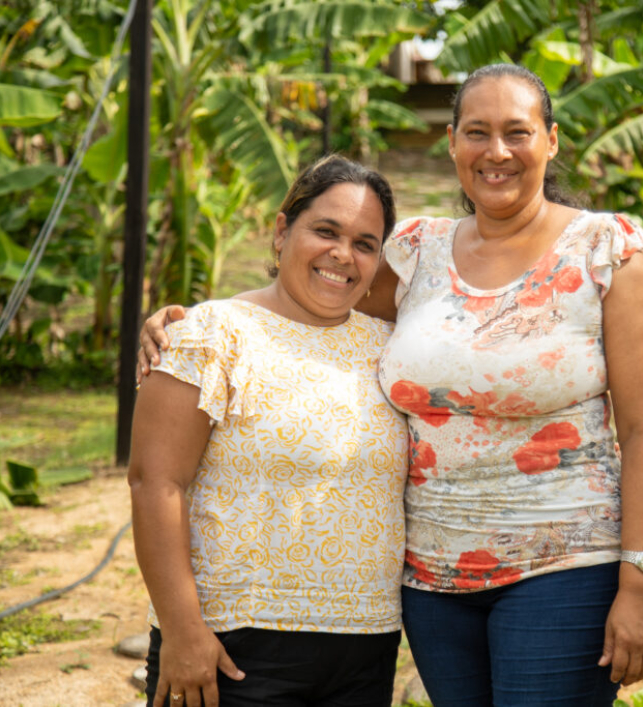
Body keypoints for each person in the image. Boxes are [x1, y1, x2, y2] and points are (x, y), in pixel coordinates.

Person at [140, 64, 643, 707]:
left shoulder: (603, 252)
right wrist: (194, 322)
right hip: (430, 584)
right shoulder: (419, 254)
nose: (496, 151)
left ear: (552, 140)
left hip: (563, 566)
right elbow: (313, 300)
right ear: (451, 142)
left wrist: (641, 586)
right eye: (477, 132)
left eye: (518, 132)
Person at [129, 155, 408, 707]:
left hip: (366, 644)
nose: (341, 255)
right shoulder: (212, 333)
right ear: (282, 232)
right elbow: (155, 484)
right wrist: (184, 631)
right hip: (234, 648)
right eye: (325, 231)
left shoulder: (391, 349)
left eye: (364, 243)